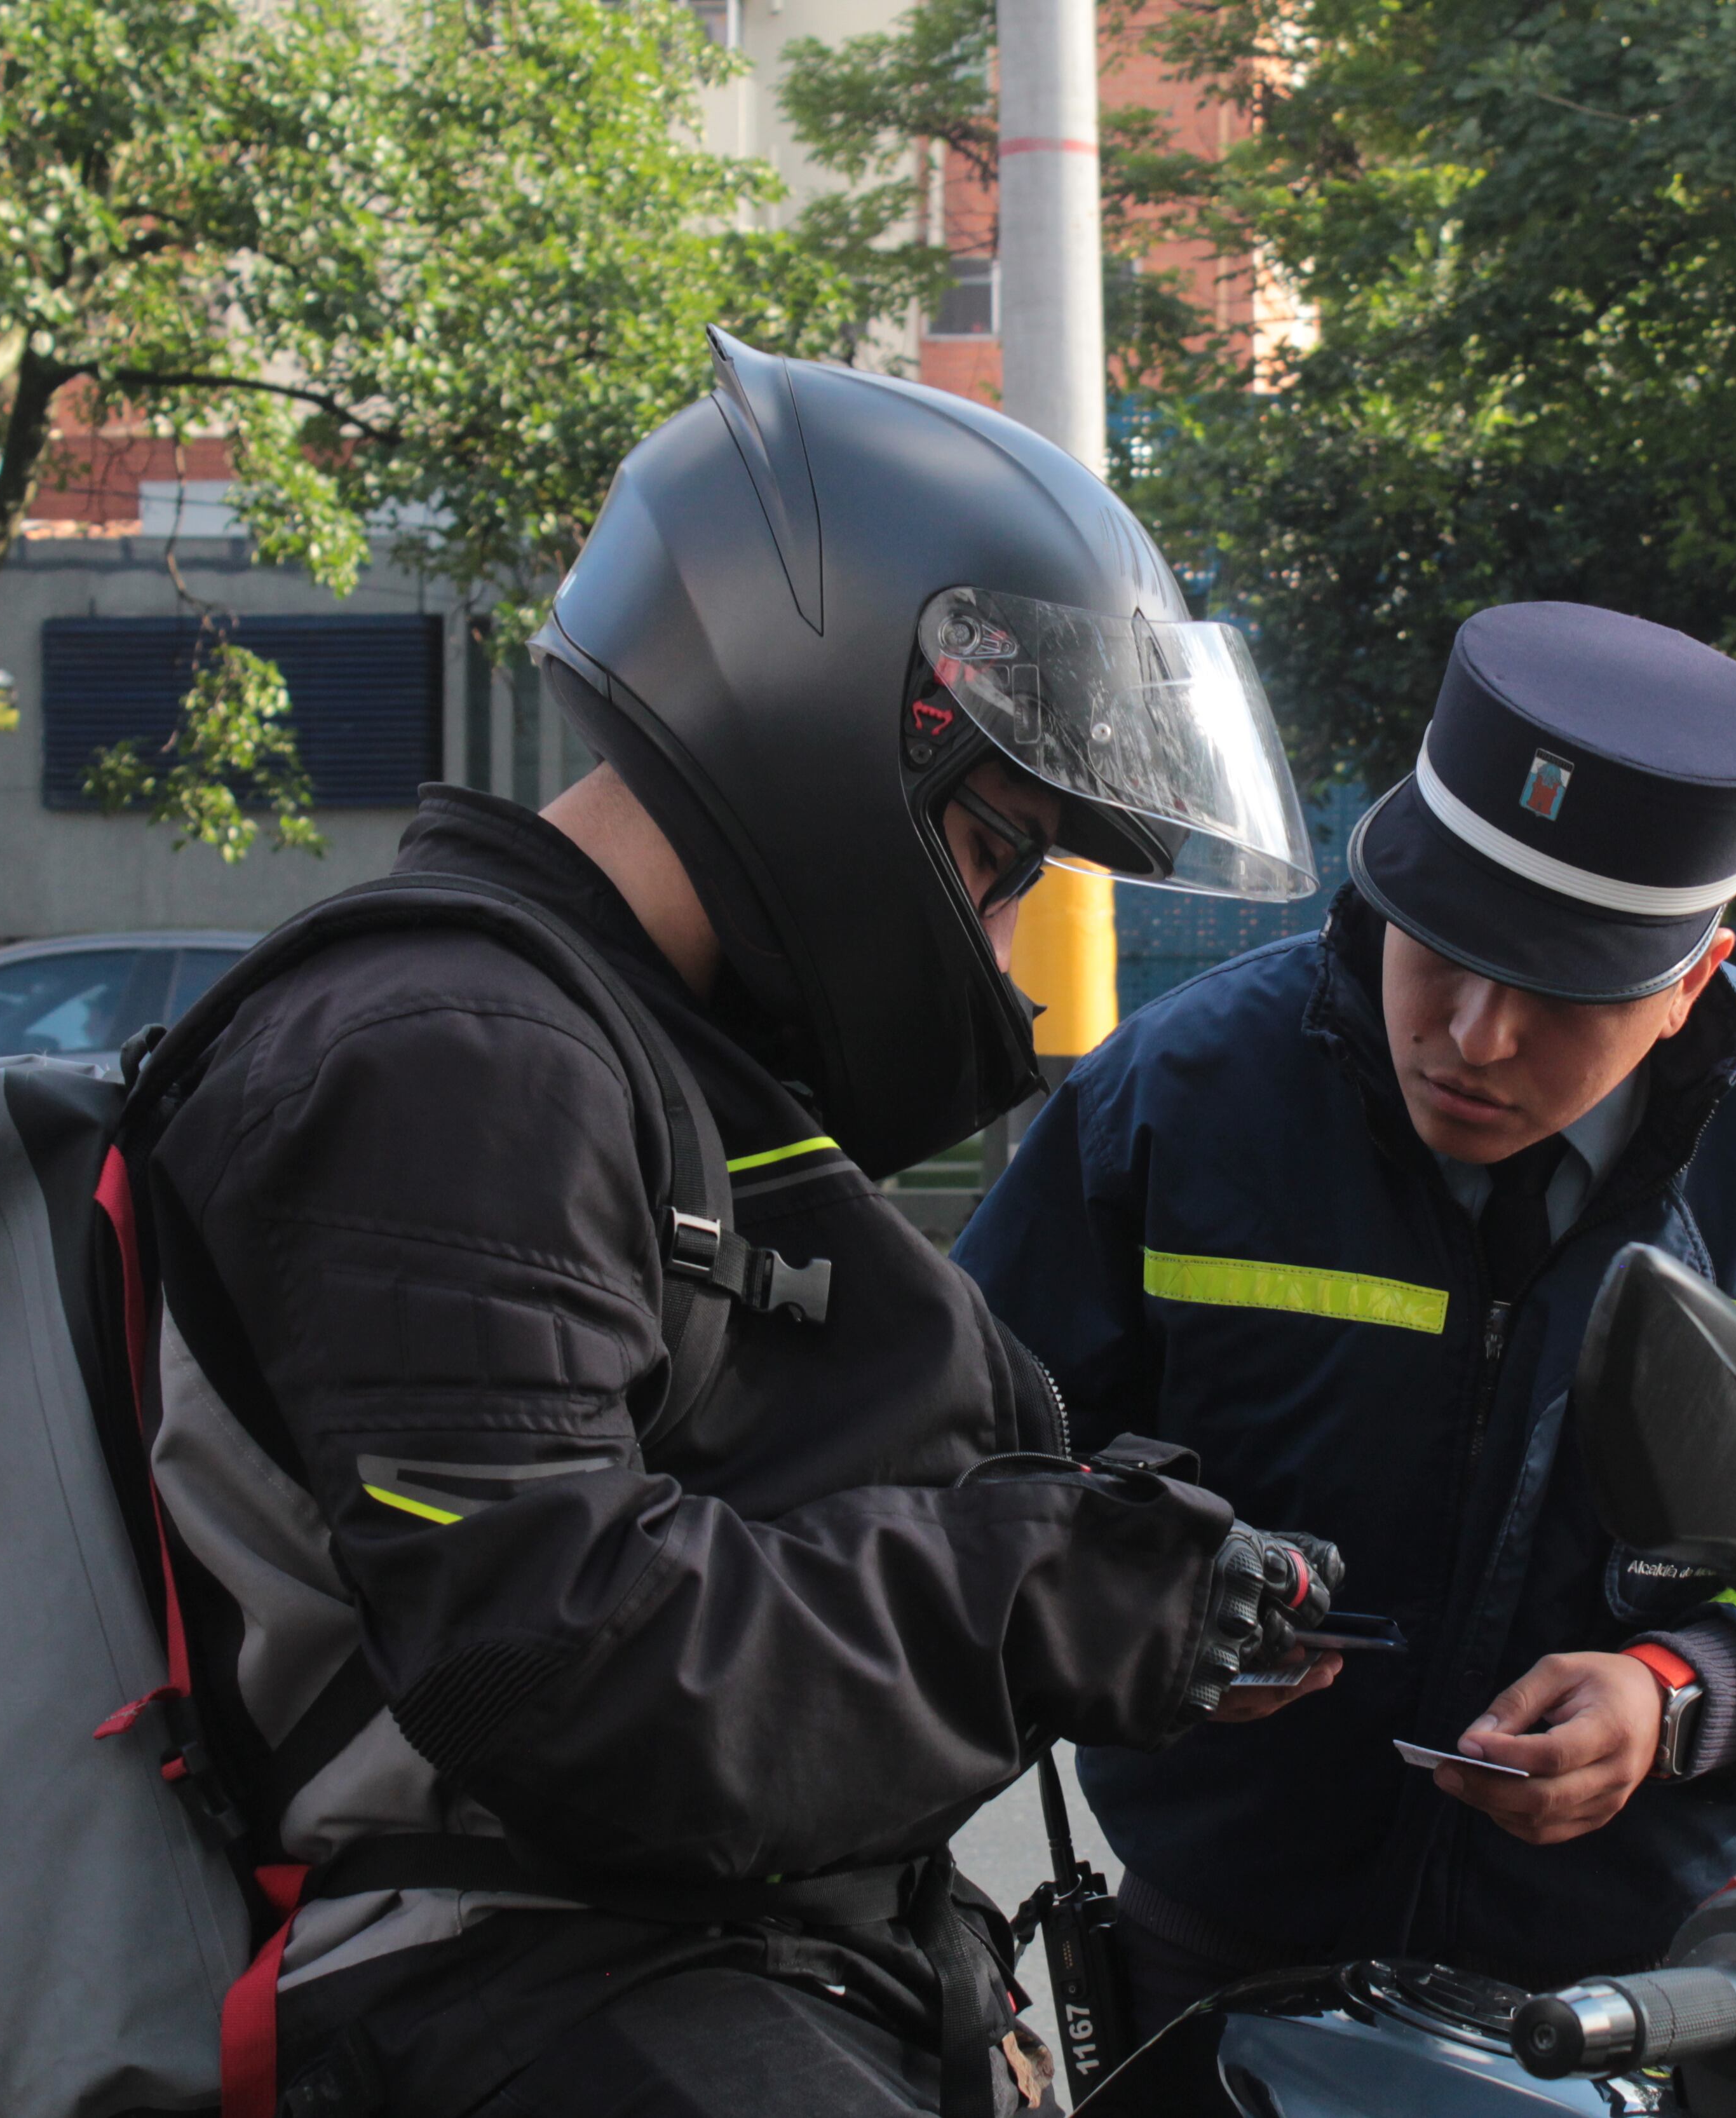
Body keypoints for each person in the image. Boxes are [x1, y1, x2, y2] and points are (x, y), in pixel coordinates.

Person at [136, 334, 1346, 2118]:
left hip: (710, 1950)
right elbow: (567, 1657)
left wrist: (1131, 1567)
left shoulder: (630, 1047)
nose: (1002, 948)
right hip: (501, 1981)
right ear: (832, 720)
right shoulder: (459, 1057)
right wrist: (1045, 1600)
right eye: (1001, 858)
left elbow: (763, 1481)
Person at [958, 601, 1736, 2023]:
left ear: (1690, 982)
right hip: (1219, 1975)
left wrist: (1679, 1696)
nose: (1473, 1035)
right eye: (1439, 945)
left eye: (1556, 989)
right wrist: (1130, 1615)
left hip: (1656, 2011)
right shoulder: (1174, 1101)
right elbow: (949, 1472)